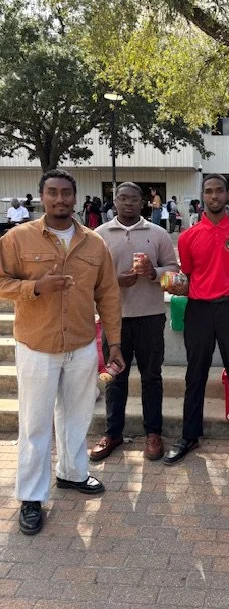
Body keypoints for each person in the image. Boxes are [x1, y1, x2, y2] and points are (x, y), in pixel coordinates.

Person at [0, 169, 124, 535]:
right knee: (35, 423)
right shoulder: (17, 239)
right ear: (41, 196)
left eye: (66, 193)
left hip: (83, 344)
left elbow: (109, 295)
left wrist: (113, 341)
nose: (59, 199)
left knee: (77, 415)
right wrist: (36, 287)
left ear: (75, 197)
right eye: (52, 193)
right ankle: (31, 497)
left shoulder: (94, 243)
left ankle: (72, 473)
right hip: (37, 345)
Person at [163, 173, 229, 471]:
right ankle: (189, 436)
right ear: (202, 196)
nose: (214, 196)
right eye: (208, 191)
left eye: (219, 191)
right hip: (199, 311)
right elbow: (187, 278)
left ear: (228, 195)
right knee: (195, 376)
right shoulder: (189, 237)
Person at [91, 182, 179, 463]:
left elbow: (174, 273)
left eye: (134, 199)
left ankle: (153, 433)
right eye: (122, 198)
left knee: (152, 377)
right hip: (114, 320)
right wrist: (115, 282)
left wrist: (154, 273)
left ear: (143, 203)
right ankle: (113, 432)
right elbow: (88, 279)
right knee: (115, 378)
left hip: (151, 318)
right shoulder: (98, 236)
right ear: (114, 202)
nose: (128, 203)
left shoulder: (158, 233)